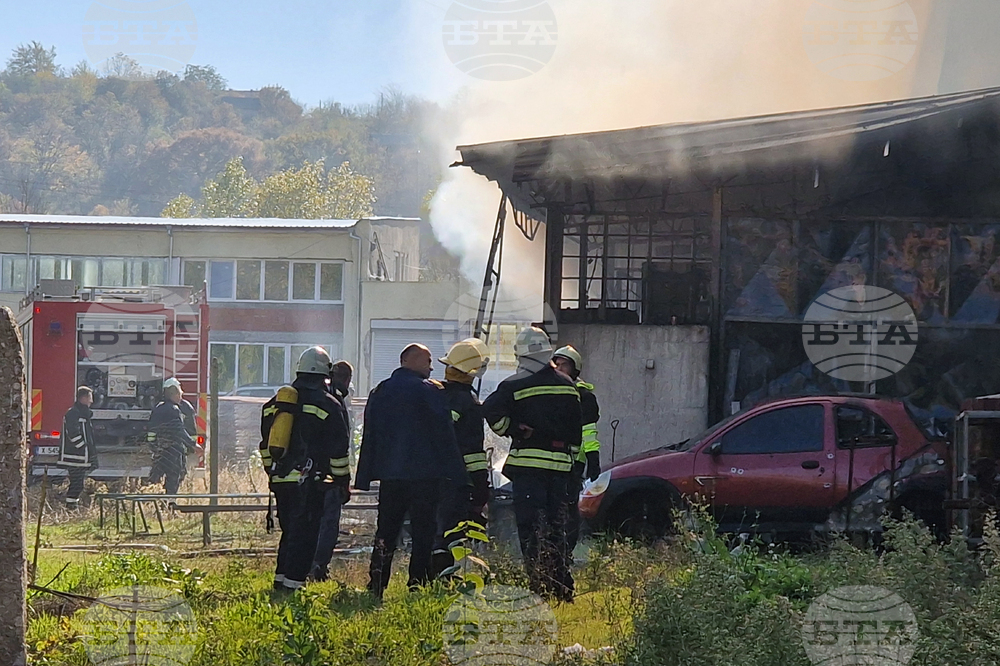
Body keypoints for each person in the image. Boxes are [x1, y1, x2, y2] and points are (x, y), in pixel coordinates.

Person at [356, 343, 467, 600]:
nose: (431, 367)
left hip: (391, 477)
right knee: (423, 531)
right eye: (428, 361)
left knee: (386, 531)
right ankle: (417, 584)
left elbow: (370, 434)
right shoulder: (429, 392)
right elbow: (444, 434)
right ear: (411, 360)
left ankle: (377, 585)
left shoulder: (380, 391)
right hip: (424, 477)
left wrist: (366, 473)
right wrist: (458, 474)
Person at [482, 327, 582, 603]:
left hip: (528, 469)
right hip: (561, 469)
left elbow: (490, 411)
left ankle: (540, 587)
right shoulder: (568, 386)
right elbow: (576, 432)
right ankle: (563, 588)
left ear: (521, 355)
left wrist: (513, 429)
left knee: (531, 529)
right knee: (556, 527)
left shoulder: (514, 385)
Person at [260, 347, 351, 591]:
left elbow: (265, 446)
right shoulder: (329, 404)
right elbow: (339, 450)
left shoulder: (274, 404)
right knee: (306, 534)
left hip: (281, 481)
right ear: (325, 374)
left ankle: (280, 581)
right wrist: (343, 482)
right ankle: (293, 586)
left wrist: (273, 473)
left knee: (289, 532)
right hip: (312, 482)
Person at [431, 339, 491, 578]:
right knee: (452, 531)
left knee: (430, 529)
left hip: (428, 477)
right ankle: (445, 578)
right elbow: (474, 454)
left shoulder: (433, 395)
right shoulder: (469, 403)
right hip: (457, 481)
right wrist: (481, 488)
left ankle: (425, 578)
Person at [551, 346, 602, 555]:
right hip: (551, 458)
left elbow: (588, 431)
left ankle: (566, 552)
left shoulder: (584, 397)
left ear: (575, 369)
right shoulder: (551, 391)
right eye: (557, 363)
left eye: (565, 364)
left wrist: (593, 459)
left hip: (573, 462)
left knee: (569, 508)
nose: (560, 368)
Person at [310, 360, 355, 581]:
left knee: (306, 523)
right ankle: (318, 569)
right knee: (327, 524)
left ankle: (300, 567)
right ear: (347, 379)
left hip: (302, 475)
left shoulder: (310, 396)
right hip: (327, 478)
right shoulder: (334, 402)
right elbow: (340, 446)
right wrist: (343, 481)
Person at [147, 378, 198, 495]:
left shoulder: (158, 408)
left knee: (156, 476)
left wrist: (153, 447)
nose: (182, 394)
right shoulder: (176, 410)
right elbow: (180, 430)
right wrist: (193, 445)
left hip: (160, 451)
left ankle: (155, 500)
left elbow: (151, 430)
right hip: (174, 451)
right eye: (180, 391)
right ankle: (168, 503)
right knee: (175, 477)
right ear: (174, 393)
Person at [59, 386, 98, 509]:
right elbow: (73, 433)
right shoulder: (74, 413)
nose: (91, 401)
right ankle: (71, 508)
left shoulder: (81, 413)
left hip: (80, 457)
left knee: (77, 484)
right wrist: (82, 447)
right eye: (90, 398)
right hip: (75, 457)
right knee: (76, 484)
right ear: (83, 398)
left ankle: (72, 507)